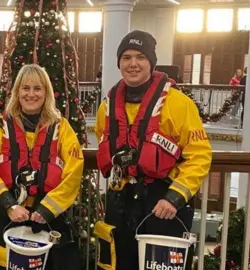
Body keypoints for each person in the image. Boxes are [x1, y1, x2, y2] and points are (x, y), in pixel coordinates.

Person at [94, 30, 212, 270]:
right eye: (126, 57)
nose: (133, 64)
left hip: (164, 204)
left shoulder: (180, 104)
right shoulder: (107, 107)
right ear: (119, 63)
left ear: (151, 62)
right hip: (121, 202)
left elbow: (199, 156)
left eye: (140, 57)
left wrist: (174, 198)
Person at [0, 64, 84, 270]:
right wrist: (9, 205)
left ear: (46, 93)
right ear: (17, 92)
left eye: (38, 88)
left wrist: (47, 209)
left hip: (51, 219)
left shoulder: (62, 128)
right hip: (10, 218)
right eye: (25, 88)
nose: (31, 94)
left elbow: (74, 170)